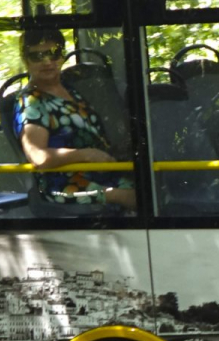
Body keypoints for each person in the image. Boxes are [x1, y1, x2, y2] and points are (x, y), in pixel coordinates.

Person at [13, 28, 136, 208]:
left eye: (53, 54)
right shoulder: (31, 102)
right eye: (37, 56)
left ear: (62, 56)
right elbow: (38, 156)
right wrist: (86, 155)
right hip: (65, 184)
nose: (47, 61)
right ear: (26, 60)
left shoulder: (72, 90)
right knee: (136, 198)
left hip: (103, 174)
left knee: (153, 189)